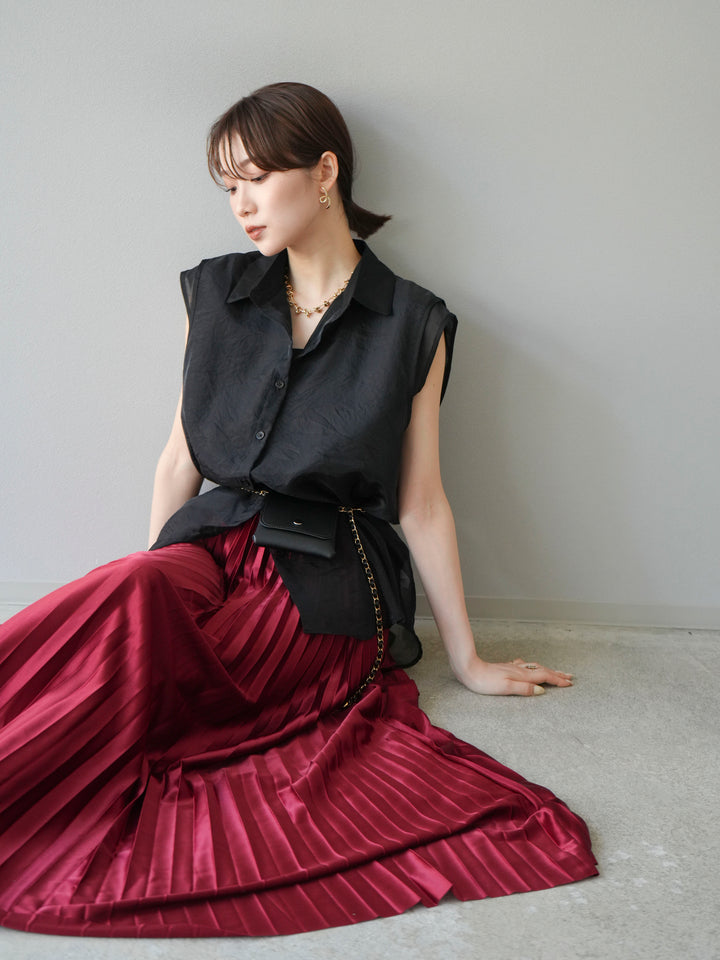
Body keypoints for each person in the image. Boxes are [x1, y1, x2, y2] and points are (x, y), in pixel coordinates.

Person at [0, 82, 596, 938]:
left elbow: (423, 503)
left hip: (322, 579)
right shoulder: (215, 294)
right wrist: (151, 586)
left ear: (324, 172)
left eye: (255, 179)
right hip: (209, 548)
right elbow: (179, 457)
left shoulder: (412, 323)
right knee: (127, 599)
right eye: (227, 186)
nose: (240, 204)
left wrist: (467, 658)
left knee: (179, 676)